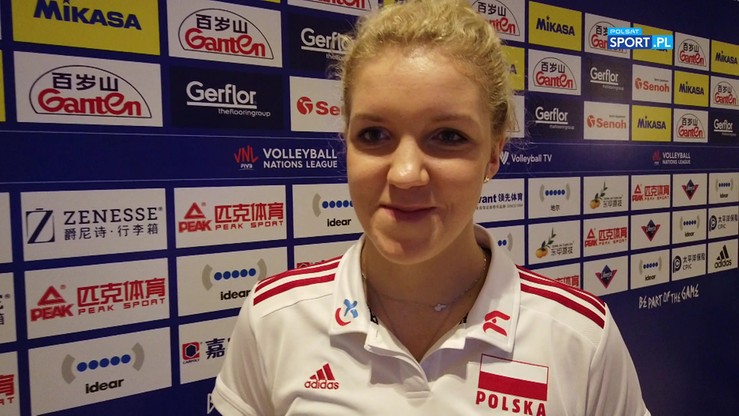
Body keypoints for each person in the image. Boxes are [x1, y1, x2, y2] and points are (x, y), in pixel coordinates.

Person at [212, 0, 650, 414]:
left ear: (494, 154)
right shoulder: (274, 317)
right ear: (346, 143)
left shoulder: (580, 338)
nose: (405, 174)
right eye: (374, 135)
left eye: (448, 137)